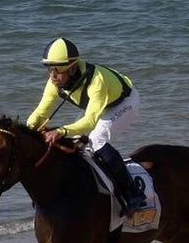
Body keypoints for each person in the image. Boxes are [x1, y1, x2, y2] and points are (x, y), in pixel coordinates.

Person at [26, 37, 147, 216]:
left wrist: (61, 131)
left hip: (124, 103)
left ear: (73, 68)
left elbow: (90, 121)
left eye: (57, 70)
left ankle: (133, 194)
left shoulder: (96, 81)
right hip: (99, 106)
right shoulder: (55, 83)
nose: (52, 76)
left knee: (97, 139)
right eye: (49, 70)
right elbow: (41, 112)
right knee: (78, 142)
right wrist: (24, 130)